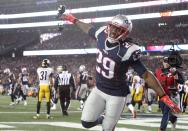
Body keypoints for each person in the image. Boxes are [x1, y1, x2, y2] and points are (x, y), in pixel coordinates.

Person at [59, 11, 181, 131]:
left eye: (118, 29)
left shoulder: (128, 50)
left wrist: (163, 96)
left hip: (116, 95)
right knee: (86, 122)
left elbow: (146, 74)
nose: (113, 31)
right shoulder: (101, 33)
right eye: (112, 27)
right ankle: (102, 119)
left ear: (125, 33)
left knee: (107, 129)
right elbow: (88, 28)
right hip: (99, 89)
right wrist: (73, 19)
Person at [155, 57, 184, 131]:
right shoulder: (158, 71)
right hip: (162, 95)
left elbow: (182, 81)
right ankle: (173, 119)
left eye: (168, 61)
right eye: (165, 61)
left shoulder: (174, 71)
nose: (166, 63)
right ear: (163, 62)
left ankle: (162, 128)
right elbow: (156, 83)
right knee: (165, 113)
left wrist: (175, 74)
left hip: (171, 95)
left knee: (166, 112)